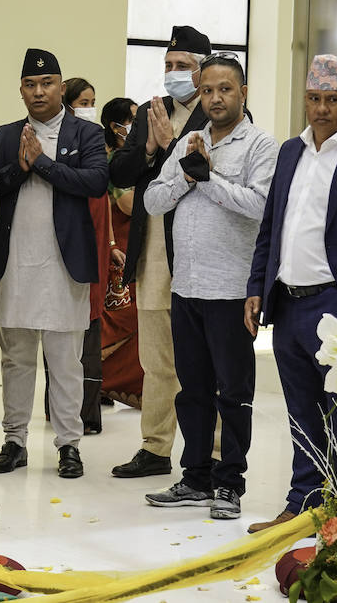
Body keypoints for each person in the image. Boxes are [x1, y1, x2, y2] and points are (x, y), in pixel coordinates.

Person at [243, 55, 337, 532]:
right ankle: (302, 503)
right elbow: (272, 226)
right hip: (288, 303)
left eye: (333, 100)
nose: (322, 109)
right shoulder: (291, 152)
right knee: (301, 410)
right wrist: (256, 287)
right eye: (314, 99)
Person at [142, 54, 275, 521]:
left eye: (225, 89)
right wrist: (185, 171)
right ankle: (194, 477)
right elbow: (152, 199)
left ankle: (230, 483)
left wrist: (208, 178)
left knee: (233, 392)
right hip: (187, 288)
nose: (216, 98)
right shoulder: (187, 143)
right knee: (192, 390)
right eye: (208, 91)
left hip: (233, 291)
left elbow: (260, 206)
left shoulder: (260, 145)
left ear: (243, 93)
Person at [0, 52, 108, 478]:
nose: (39, 92)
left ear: (60, 87)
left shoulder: (86, 133)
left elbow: (95, 181)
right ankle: (14, 440)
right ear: (21, 89)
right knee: (15, 357)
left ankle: (69, 444)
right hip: (15, 260)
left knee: (65, 360)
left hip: (64, 263)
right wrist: (20, 167)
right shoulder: (4, 135)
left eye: (48, 83)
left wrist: (44, 164)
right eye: (31, 85)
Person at [107, 26, 212, 478]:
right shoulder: (153, 111)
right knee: (155, 357)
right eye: (168, 66)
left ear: (202, 69)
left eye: (182, 66)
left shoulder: (218, 111)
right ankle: (154, 447)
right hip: (153, 246)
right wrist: (148, 144)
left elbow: (208, 175)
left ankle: (212, 451)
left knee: (204, 358)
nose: (172, 74)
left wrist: (169, 145)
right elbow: (121, 169)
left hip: (201, 251)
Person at [62, 77, 106, 434]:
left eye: (93, 100)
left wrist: (109, 245)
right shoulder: (63, 145)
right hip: (74, 241)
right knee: (66, 327)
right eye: (82, 101)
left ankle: (88, 414)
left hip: (98, 247)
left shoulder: (97, 144)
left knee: (93, 327)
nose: (89, 106)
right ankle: (62, 410)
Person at [99, 96, 142, 407]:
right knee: (119, 317)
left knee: (135, 317)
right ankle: (102, 380)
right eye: (132, 121)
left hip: (135, 244)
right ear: (116, 126)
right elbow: (127, 203)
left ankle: (127, 383)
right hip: (117, 249)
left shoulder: (136, 156)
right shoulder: (111, 159)